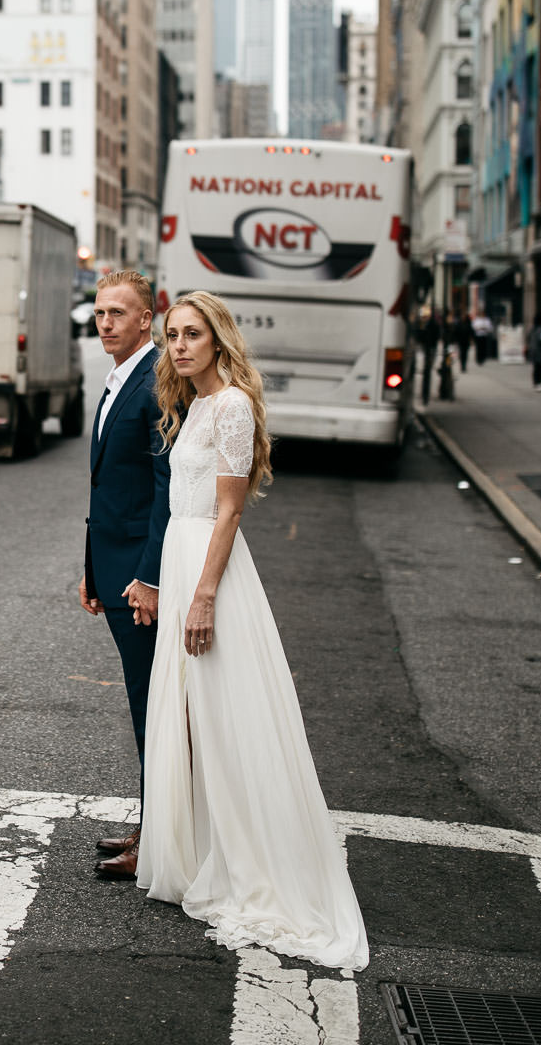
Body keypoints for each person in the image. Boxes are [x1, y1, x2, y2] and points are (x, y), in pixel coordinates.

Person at [134, 291, 368, 971]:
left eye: (192, 334)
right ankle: (204, 851)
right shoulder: (196, 405)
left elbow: (230, 512)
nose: (179, 345)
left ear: (218, 340)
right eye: (172, 334)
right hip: (181, 557)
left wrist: (203, 596)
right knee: (192, 713)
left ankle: (251, 860)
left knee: (227, 712)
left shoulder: (232, 405)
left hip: (210, 569)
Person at [77, 270, 172, 879]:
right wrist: (90, 568)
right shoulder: (118, 379)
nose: (106, 322)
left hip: (140, 577)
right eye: (100, 312)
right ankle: (155, 825)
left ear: (146, 319)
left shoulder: (157, 381)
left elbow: (166, 490)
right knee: (147, 706)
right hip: (113, 567)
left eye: (119, 313)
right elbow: (108, 489)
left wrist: (149, 578)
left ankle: (160, 841)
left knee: (152, 708)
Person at [415, 306, 441, 407]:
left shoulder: (432, 325)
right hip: (426, 349)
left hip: (430, 350)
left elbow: (436, 336)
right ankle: (424, 394)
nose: (424, 318)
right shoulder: (421, 324)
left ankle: (425, 395)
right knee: (425, 372)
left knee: (427, 372)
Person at [452, 307, 474, 372]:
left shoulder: (468, 324)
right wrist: (455, 340)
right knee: (461, 353)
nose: (463, 317)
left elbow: (471, 332)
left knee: (465, 354)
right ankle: (462, 366)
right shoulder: (459, 323)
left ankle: (464, 366)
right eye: (462, 316)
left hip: (466, 341)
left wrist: (471, 340)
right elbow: (456, 332)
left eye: (464, 316)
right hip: (460, 341)